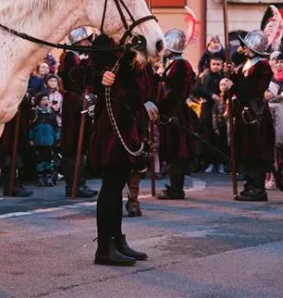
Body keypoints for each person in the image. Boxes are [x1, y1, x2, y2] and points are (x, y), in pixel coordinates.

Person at [89, 35, 154, 266]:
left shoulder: (134, 39)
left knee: (118, 182)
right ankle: (104, 248)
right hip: (113, 120)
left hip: (130, 120)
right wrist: (99, 78)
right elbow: (81, 74)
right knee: (112, 183)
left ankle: (116, 241)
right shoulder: (103, 42)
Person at [227, 30, 275, 202]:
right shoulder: (248, 63)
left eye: (246, 45)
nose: (243, 48)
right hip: (244, 113)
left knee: (256, 150)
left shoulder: (263, 65)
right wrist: (231, 77)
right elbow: (240, 84)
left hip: (256, 114)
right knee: (245, 150)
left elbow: (253, 89)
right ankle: (249, 186)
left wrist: (233, 84)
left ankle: (258, 189)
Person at [156, 23, 198, 200]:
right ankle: (174, 185)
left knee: (177, 149)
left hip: (175, 112)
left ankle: (177, 188)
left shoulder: (180, 65)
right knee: (171, 148)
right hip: (171, 111)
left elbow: (175, 91)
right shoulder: (173, 64)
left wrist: (162, 106)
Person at [58, 27, 96, 198]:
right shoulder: (70, 57)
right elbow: (74, 76)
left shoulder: (76, 57)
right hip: (75, 102)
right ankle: (74, 185)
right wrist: (88, 63)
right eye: (85, 40)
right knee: (73, 144)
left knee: (80, 145)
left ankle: (78, 183)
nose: (88, 43)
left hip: (79, 99)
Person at [193, 55, 226, 174]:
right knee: (208, 136)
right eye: (214, 64)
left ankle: (221, 163)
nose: (216, 67)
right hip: (207, 108)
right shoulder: (205, 76)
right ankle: (210, 162)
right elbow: (196, 90)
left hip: (220, 110)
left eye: (218, 64)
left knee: (220, 137)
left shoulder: (224, 77)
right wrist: (210, 95)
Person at [28, 92, 60, 186]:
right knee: (39, 159)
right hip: (38, 140)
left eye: (47, 99)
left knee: (49, 159)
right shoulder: (35, 114)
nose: (45, 101)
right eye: (43, 100)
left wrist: (57, 139)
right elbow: (31, 127)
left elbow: (56, 127)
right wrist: (30, 138)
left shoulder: (51, 114)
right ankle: (40, 177)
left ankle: (49, 177)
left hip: (49, 141)